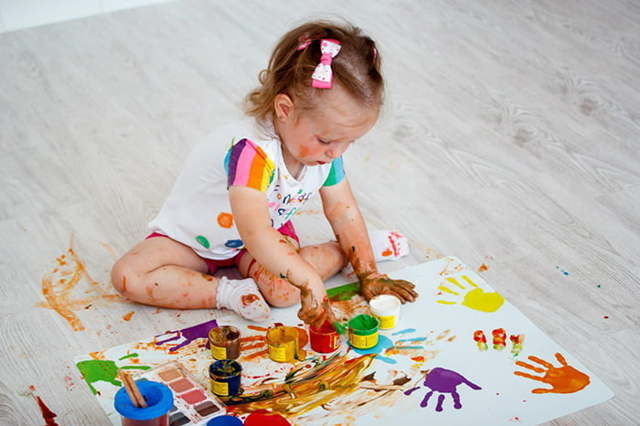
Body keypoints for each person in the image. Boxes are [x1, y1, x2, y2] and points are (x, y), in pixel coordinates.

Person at [111, 20, 418, 327]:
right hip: (193, 241)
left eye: (349, 142)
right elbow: (254, 231)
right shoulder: (251, 152)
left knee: (284, 292)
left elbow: (342, 210)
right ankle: (230, 292)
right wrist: (309, 279)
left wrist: (368, 272)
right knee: (128, 276)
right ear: (284, 109)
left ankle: (351, 252)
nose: (336, 153)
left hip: (260, 242)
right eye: (326, 140)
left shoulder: (325, 154)